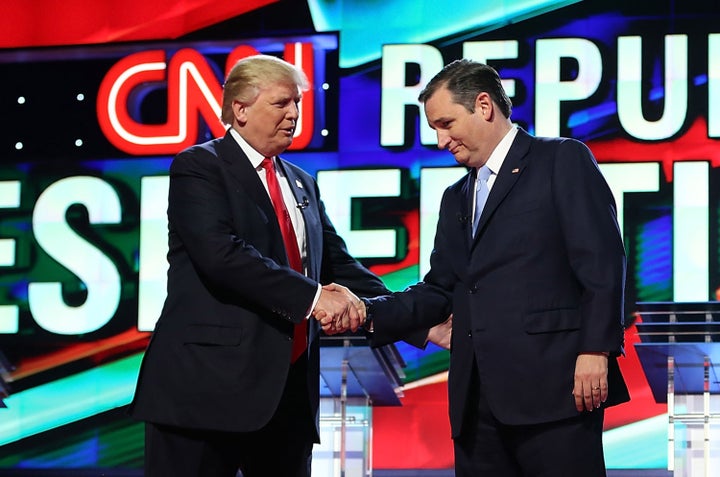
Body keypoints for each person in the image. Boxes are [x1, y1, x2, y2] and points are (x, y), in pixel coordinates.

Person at [350, 59, 630, 476]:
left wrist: (596, 349)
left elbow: (602, 261)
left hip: (555, 390)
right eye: (435, 129)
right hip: (476, 402)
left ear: (483, 105)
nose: (441, 139)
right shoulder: (455, 197)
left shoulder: (560, 160)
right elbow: (440, 288)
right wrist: (368, 311)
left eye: (446, 123)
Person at [129, 54, 406, 477]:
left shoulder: (301, 181)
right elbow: (222, 255)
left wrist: (417, 318)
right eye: (281, 104)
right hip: (204, 394)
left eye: (297, 103)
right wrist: (315, 299)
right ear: (240, 108)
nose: (294, 114)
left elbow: (338, 266)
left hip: (287, 397)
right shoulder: (200, 167)